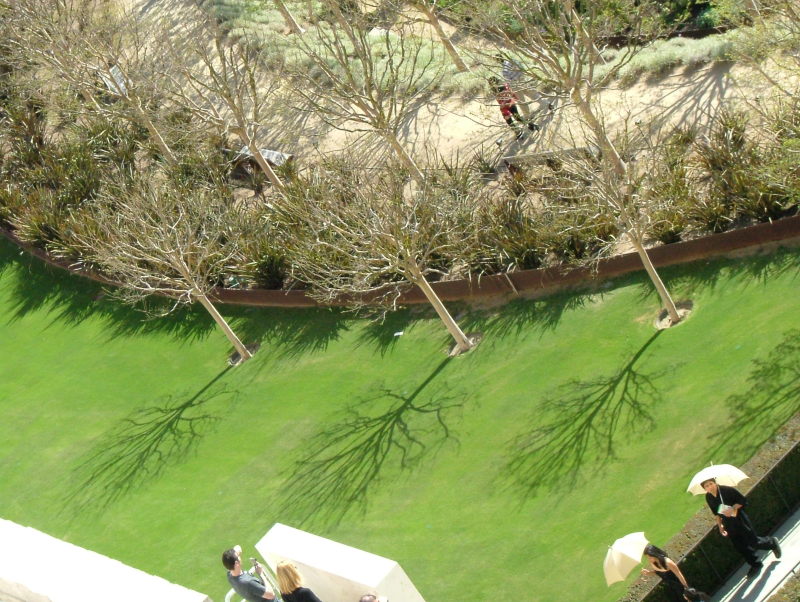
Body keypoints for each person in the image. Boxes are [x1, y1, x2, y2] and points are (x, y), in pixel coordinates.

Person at [702, 478, 782, 579]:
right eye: (706, 486)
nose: (710, 487)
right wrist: (720, 526)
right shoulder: (708, 497)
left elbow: (742, 500)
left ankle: (771, 543)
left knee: (753, 541)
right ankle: (755, 564)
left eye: (711, 484)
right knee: (740, 547)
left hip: (739, 519)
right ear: (705, 489)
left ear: (715, 483)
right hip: (728, 523)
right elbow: (716, 513)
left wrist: (732, 508)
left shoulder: (726, 490)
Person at [641, 544, 710, 601]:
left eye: (649, 557)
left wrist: (687, 589)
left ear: (654, 554)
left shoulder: (667, 562)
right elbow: (659, 573)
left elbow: (679, 575)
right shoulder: (655, 563)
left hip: (680, 586)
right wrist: (649, 573)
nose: (649, 559)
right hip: (672, 588)